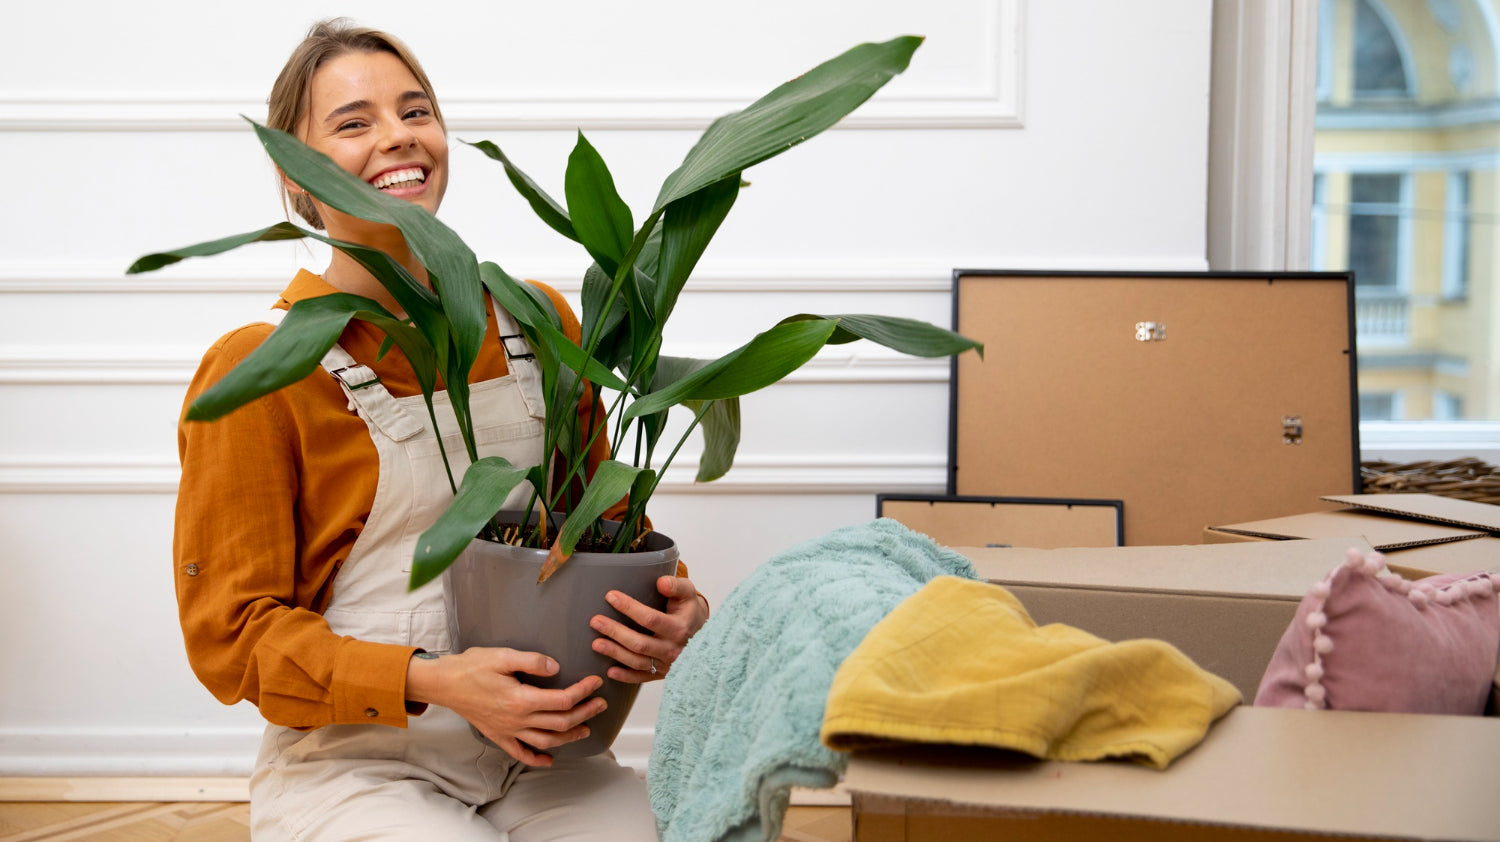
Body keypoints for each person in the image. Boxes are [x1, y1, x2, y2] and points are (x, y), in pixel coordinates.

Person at [173, 19, 709, 841]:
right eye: (353, 123)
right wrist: (441, 682)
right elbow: (232, 638)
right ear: (295, 174)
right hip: (358, 765)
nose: (398, 138)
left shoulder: (537, 320)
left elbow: (604, 531)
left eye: (415, 111)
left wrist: (671, 610)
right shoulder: (262, 368)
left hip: (551, 756)